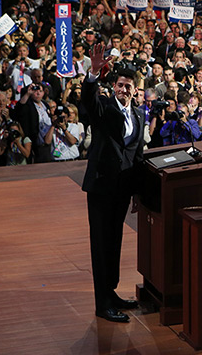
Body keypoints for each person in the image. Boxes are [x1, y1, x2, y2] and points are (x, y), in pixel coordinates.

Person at [82, 43, 144, 323]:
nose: (124, 90)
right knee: (100, 244)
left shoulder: (139, 115)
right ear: (114, 86)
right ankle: (101, 304)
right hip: (101, 186)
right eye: (120, 85)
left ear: (135, 89)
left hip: (122, 189)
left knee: (114, 241)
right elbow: (89, 104)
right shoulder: (105, 107)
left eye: (129, 86)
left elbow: (137, 155)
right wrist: (93, 75)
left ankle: (111, 292)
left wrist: (137, 193)